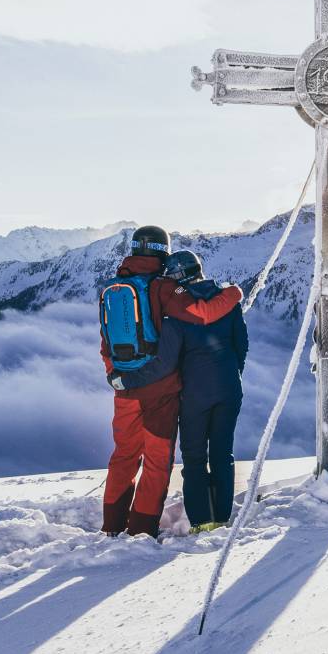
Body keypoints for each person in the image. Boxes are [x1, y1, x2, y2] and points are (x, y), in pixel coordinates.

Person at [99, 225, 242, 538]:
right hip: (159, 391)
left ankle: (111, 526)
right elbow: (202, 313)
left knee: (123, 456)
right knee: (156, 461)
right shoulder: (164, 288)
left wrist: (117, 376)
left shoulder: (114, 287)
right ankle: (139, 530)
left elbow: (106, 341)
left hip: (124, 387)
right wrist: (233, 294)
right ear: (163, 251)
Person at [161, 250, 247, 532]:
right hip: (229, 388)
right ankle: (222, 516)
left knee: (195, 457)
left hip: (194, 395)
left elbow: (170, 360)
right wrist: (232, 375)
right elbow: (241, 346)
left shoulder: (178, 313)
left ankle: (202, 521)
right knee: (223, 453)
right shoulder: (228, 303)